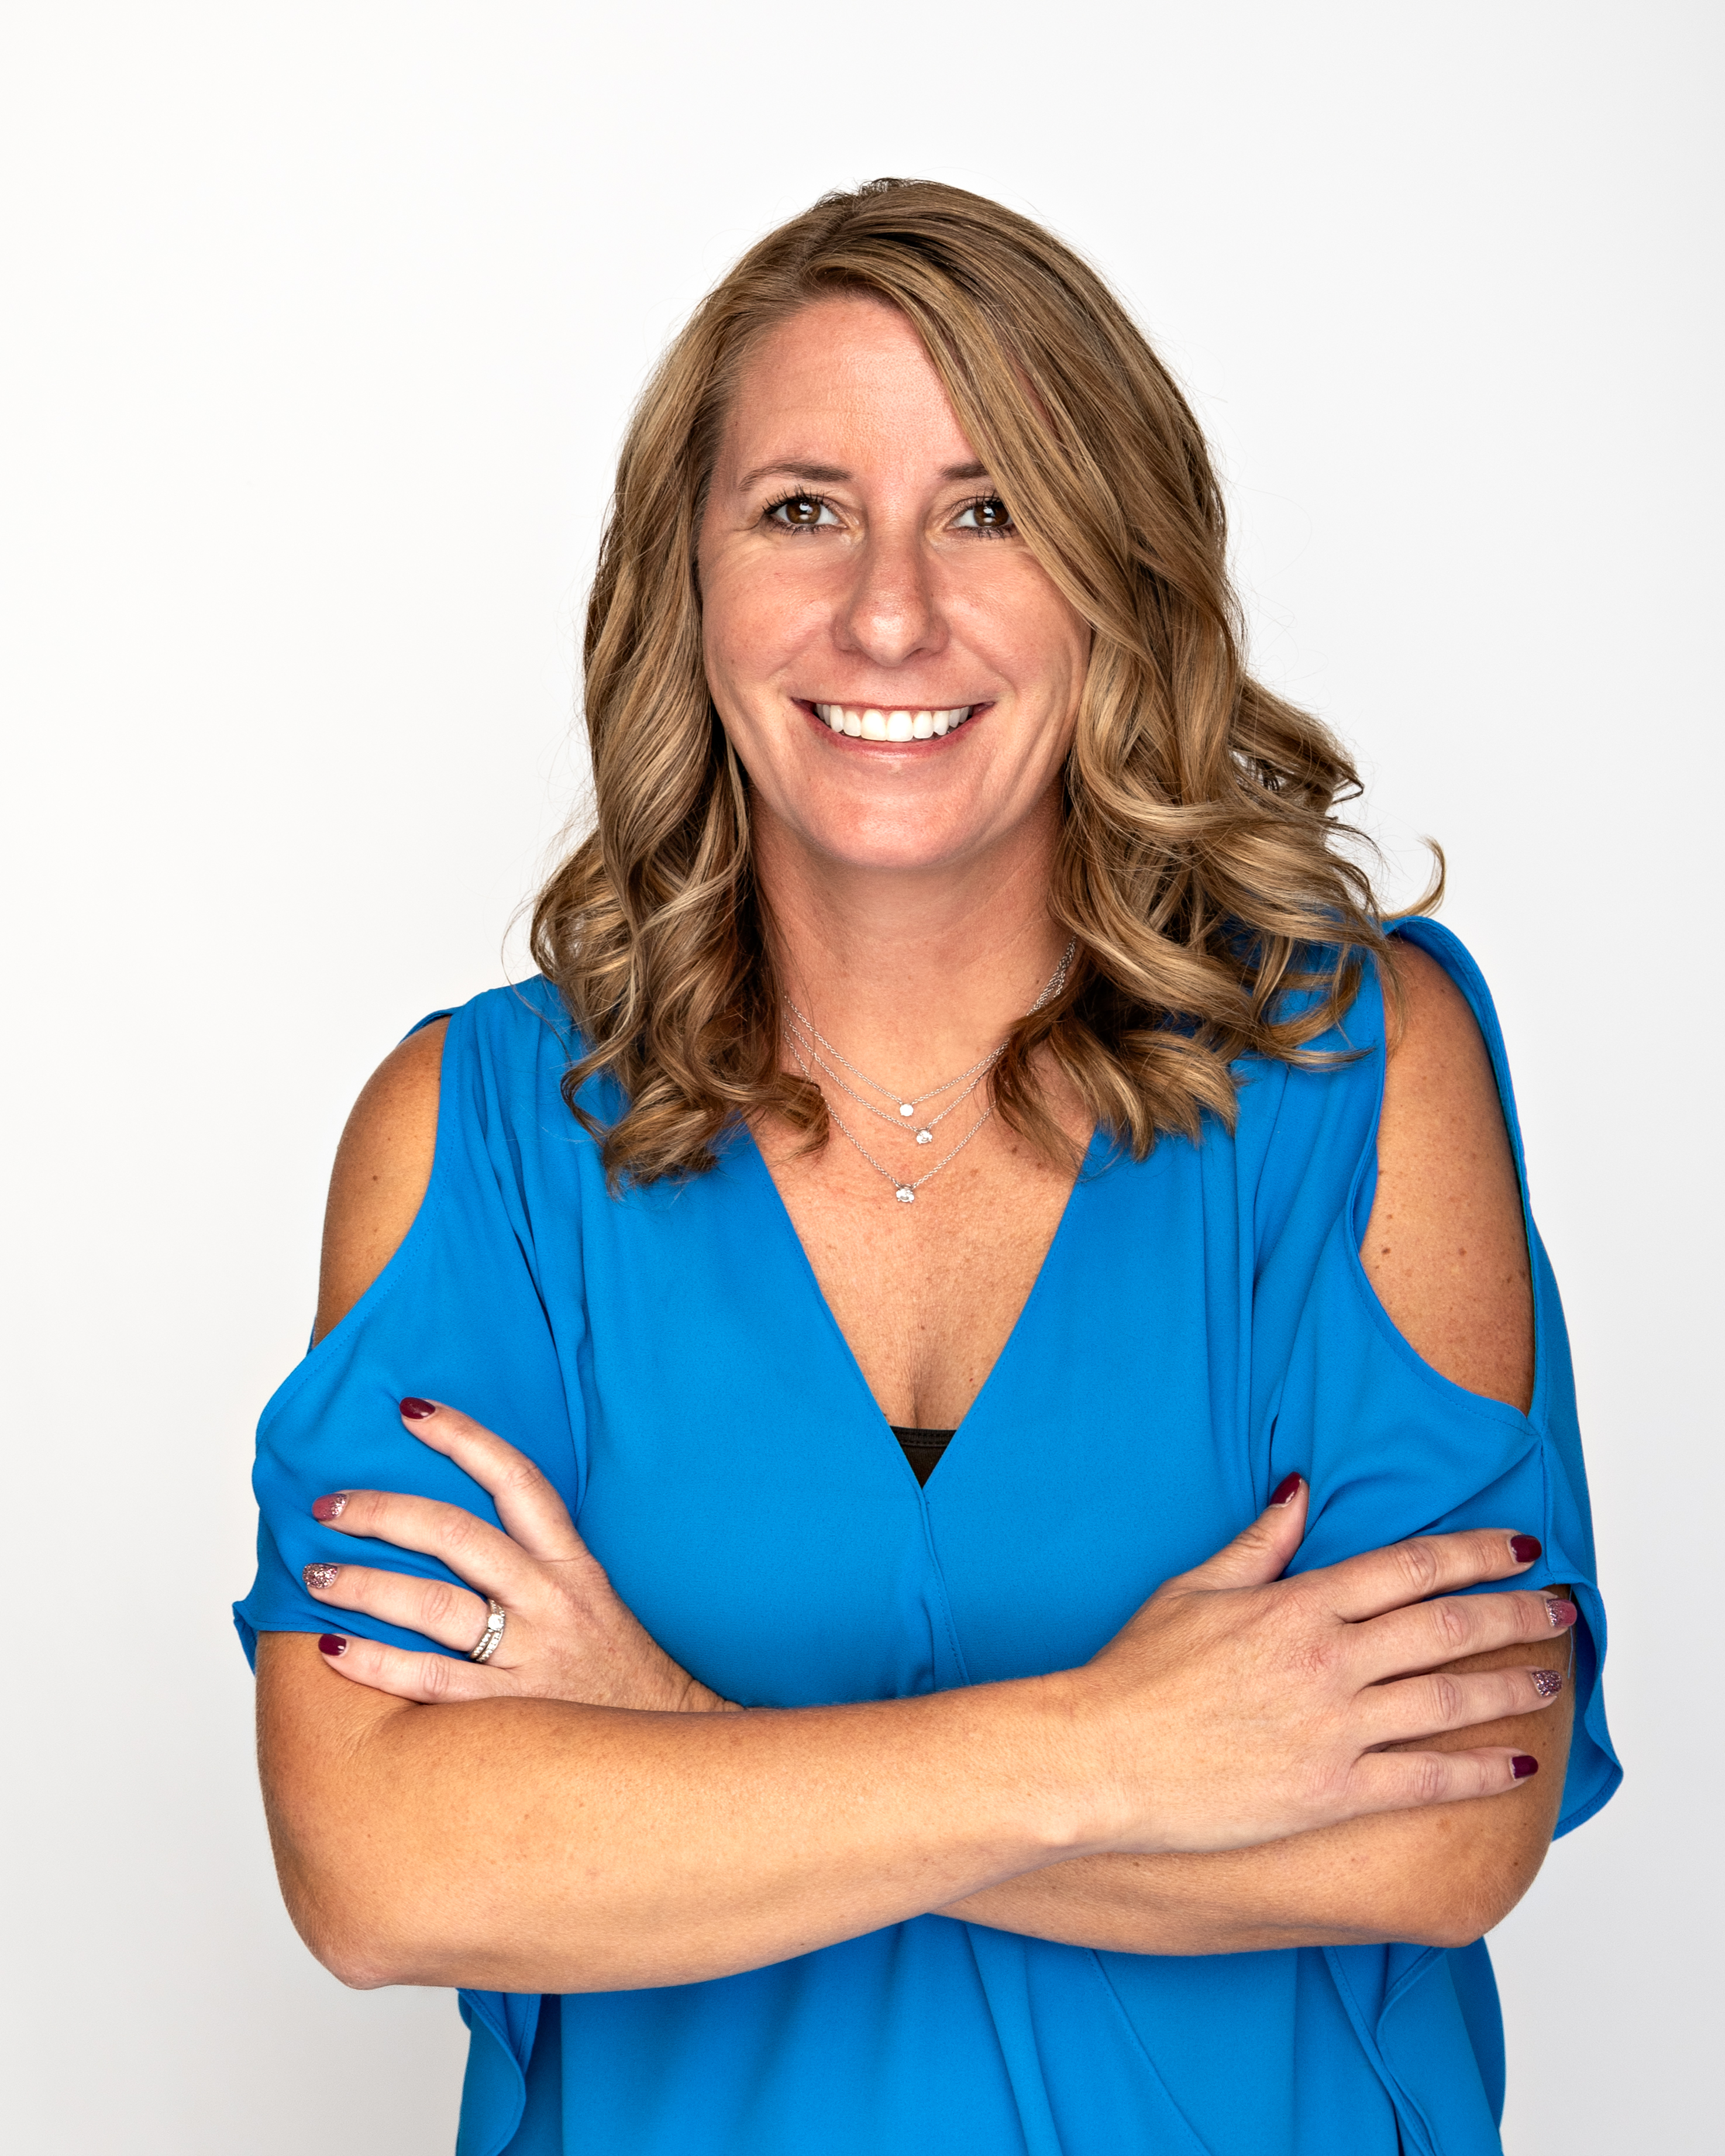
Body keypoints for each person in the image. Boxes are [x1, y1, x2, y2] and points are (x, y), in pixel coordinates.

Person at [236, 180, 1617, 2156]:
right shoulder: (479, 1142)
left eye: (993, 510)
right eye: (803, 508)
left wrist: (672, 1750)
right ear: (682, 583)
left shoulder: (1359, 1073)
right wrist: (1126, 1751)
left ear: (1115, 577)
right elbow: (378, 1867)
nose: (892, 611)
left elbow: (1452, 1820)